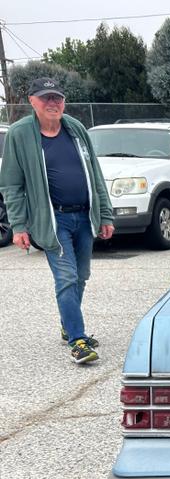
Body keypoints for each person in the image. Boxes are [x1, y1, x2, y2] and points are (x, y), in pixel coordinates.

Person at [0, 77, 115, 364]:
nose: (53, 103)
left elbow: (95, 174)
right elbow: (11, 185)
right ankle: (78, 340)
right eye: (45, 98)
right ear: (32, 102)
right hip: (53, 220)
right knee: (66, 278)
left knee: (82, 276)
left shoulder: (75, 128)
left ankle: (68, 323)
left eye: (57, 98)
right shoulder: (20, 134)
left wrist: (105, 214)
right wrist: (19, 226)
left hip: (84, 216)